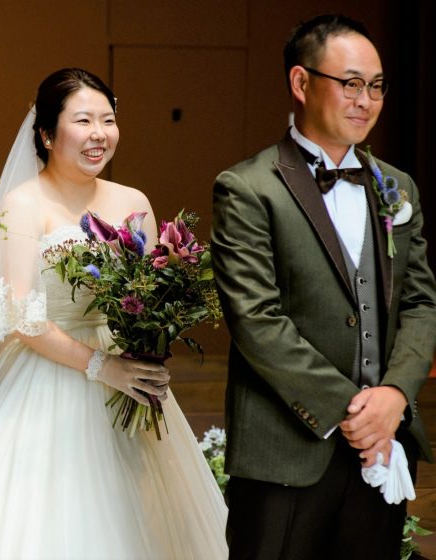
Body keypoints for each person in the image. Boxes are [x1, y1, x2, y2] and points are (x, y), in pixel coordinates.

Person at [0, 68, 227, 559]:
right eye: (83, 121)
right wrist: (103, 366)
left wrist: (148, 346)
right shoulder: (22, 204)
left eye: (107, 120)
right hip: (45, 376)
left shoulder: (133, 201)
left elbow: (151, 293)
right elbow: (23, 316)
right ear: (46, 133)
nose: (98, 134)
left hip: (127, 381)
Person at [211, 14, 436, 560]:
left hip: (381, 447)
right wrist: (355, 411)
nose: (366, 101)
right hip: (285, 452)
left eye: (376, 86)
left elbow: (419, 302)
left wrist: (394, 395)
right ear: (301, 81)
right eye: (351, 83)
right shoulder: (247, 187)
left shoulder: (396, 187)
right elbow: (255, 320)